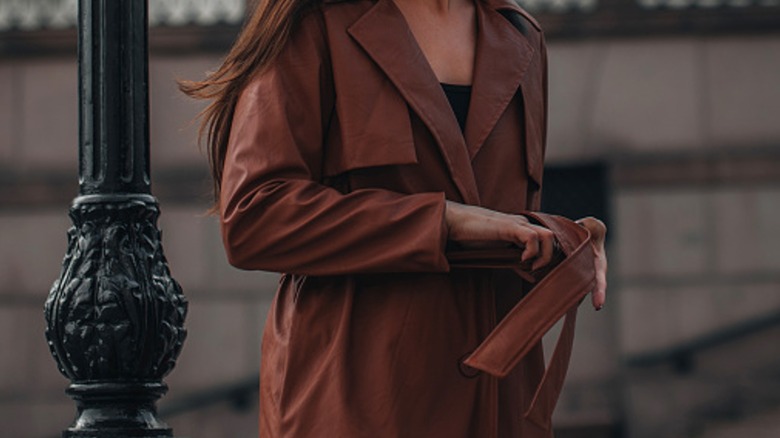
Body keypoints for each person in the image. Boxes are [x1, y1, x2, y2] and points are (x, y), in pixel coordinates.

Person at [181, 0, 607, 436]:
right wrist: (440, 222)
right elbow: (254, 215)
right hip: (356, 398)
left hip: (503, 401)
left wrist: (563, 240)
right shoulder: (315, 22)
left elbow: (503, 215)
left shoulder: (520, 34)